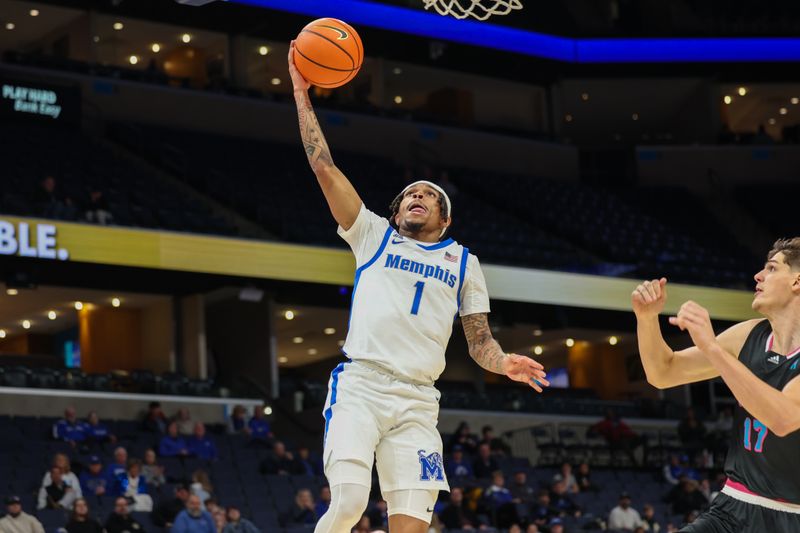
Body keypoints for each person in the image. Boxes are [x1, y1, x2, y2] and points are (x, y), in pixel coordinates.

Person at [289, 43, 548, 533]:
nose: (417, 196)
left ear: (444, 218)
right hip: (362, 385)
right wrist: (303, 94)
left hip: (418, 400)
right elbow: (323, 165)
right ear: (396, 211)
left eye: (428, 195)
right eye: (410, 193)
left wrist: (503, 362)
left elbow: (479, 341)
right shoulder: (372, 236)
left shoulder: (464, 262)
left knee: (411, 528)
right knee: (346, 505)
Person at [632, 238, 800, 532]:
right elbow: (663, 372)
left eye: (772, 269)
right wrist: (647, 319)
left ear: (797, 281)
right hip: (732, 508)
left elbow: (783, 418)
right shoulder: (748, 334)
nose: (758, 276)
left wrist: (712, 348)